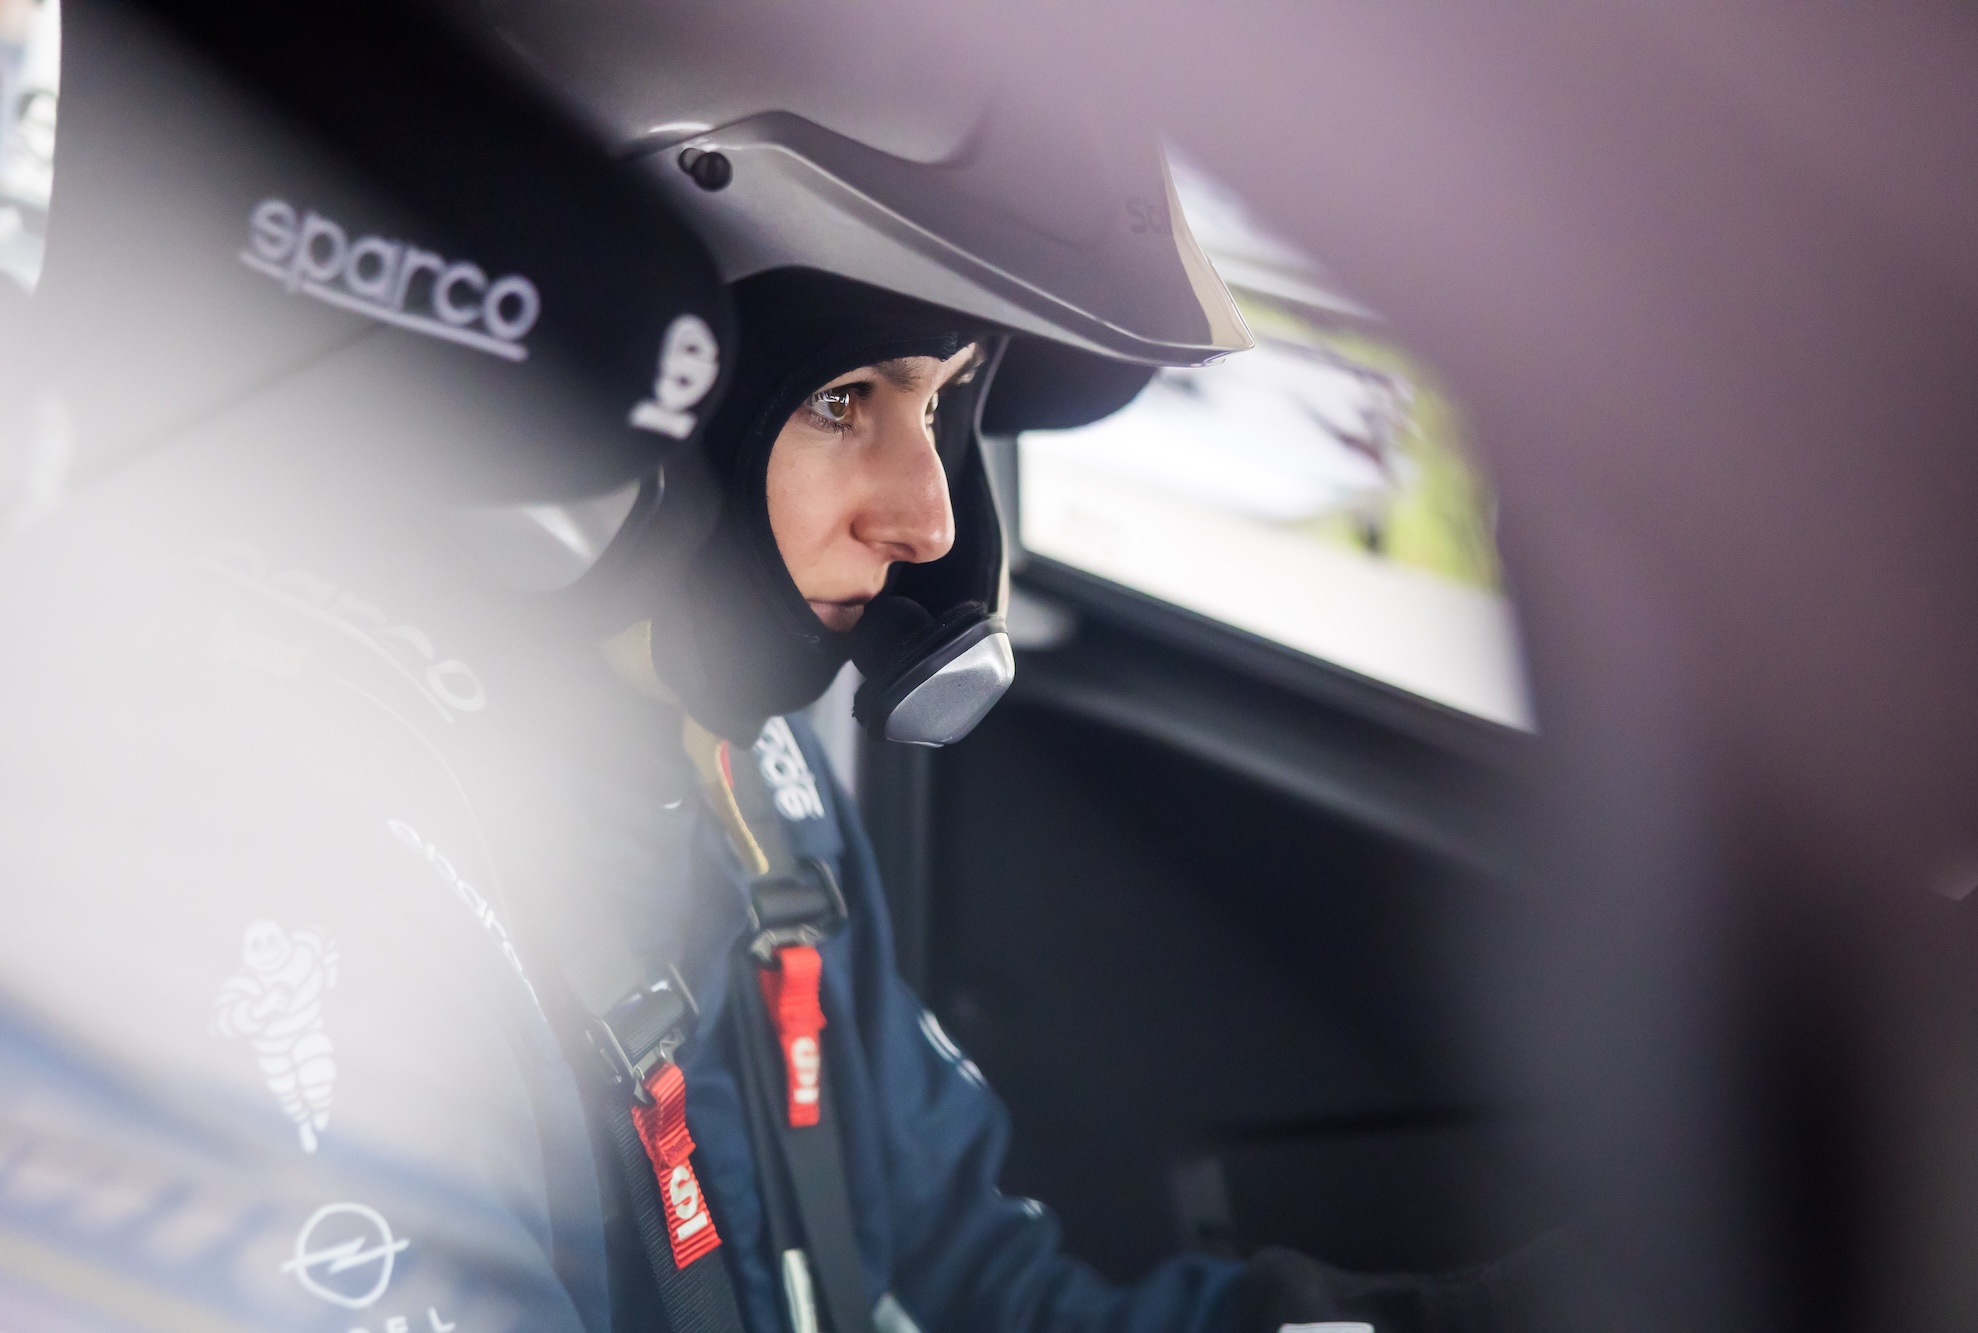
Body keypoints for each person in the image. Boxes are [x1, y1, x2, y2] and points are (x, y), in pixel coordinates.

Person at [0, 4, 1547, 1333]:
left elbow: (982, 1290)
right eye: (843, 401)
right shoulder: (299, 882)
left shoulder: (754, 784)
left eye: (944, 406)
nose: (928, 515)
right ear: (616, 404)